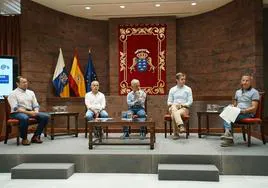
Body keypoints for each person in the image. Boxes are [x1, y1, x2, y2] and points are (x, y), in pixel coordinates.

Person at [7, 76, 50, 145]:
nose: (26, 84)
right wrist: (29, 113)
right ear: (17, 84)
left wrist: (36, 111)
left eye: (26, 82)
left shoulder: (31, 92)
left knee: (45, 116)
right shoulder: (13, 94)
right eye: (23, 82)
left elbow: (36, 105)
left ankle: (35, 137)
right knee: (24, 118)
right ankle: (24, 138)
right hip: (17, 113)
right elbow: (15, 108)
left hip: (30, 112)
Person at [220, 73, 259, 147]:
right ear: (241, 81)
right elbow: (235, 104)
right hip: (237, 111)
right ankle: (228, 134)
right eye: (243, 80)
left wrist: (243, 111)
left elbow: (254, 108)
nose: (245, 82)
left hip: (247, 113)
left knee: (227, 115)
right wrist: (231, 106)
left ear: (250, 82)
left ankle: (228, 135)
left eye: (247, 80)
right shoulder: (238, 92)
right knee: (226, 110)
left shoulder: (254, 92)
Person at [167, 72, 193, 140]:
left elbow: (190, 101)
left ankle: (176, 133)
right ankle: (181, 125)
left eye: (184, 79)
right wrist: (173, 105)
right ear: (177, 80)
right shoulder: (172, 89)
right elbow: (169, 101)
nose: (184, 81)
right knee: (173, 108)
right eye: (182, 79)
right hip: (174, 106)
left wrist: (183, 105)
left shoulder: (188, 89)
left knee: (174, 114)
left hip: (184, 108)